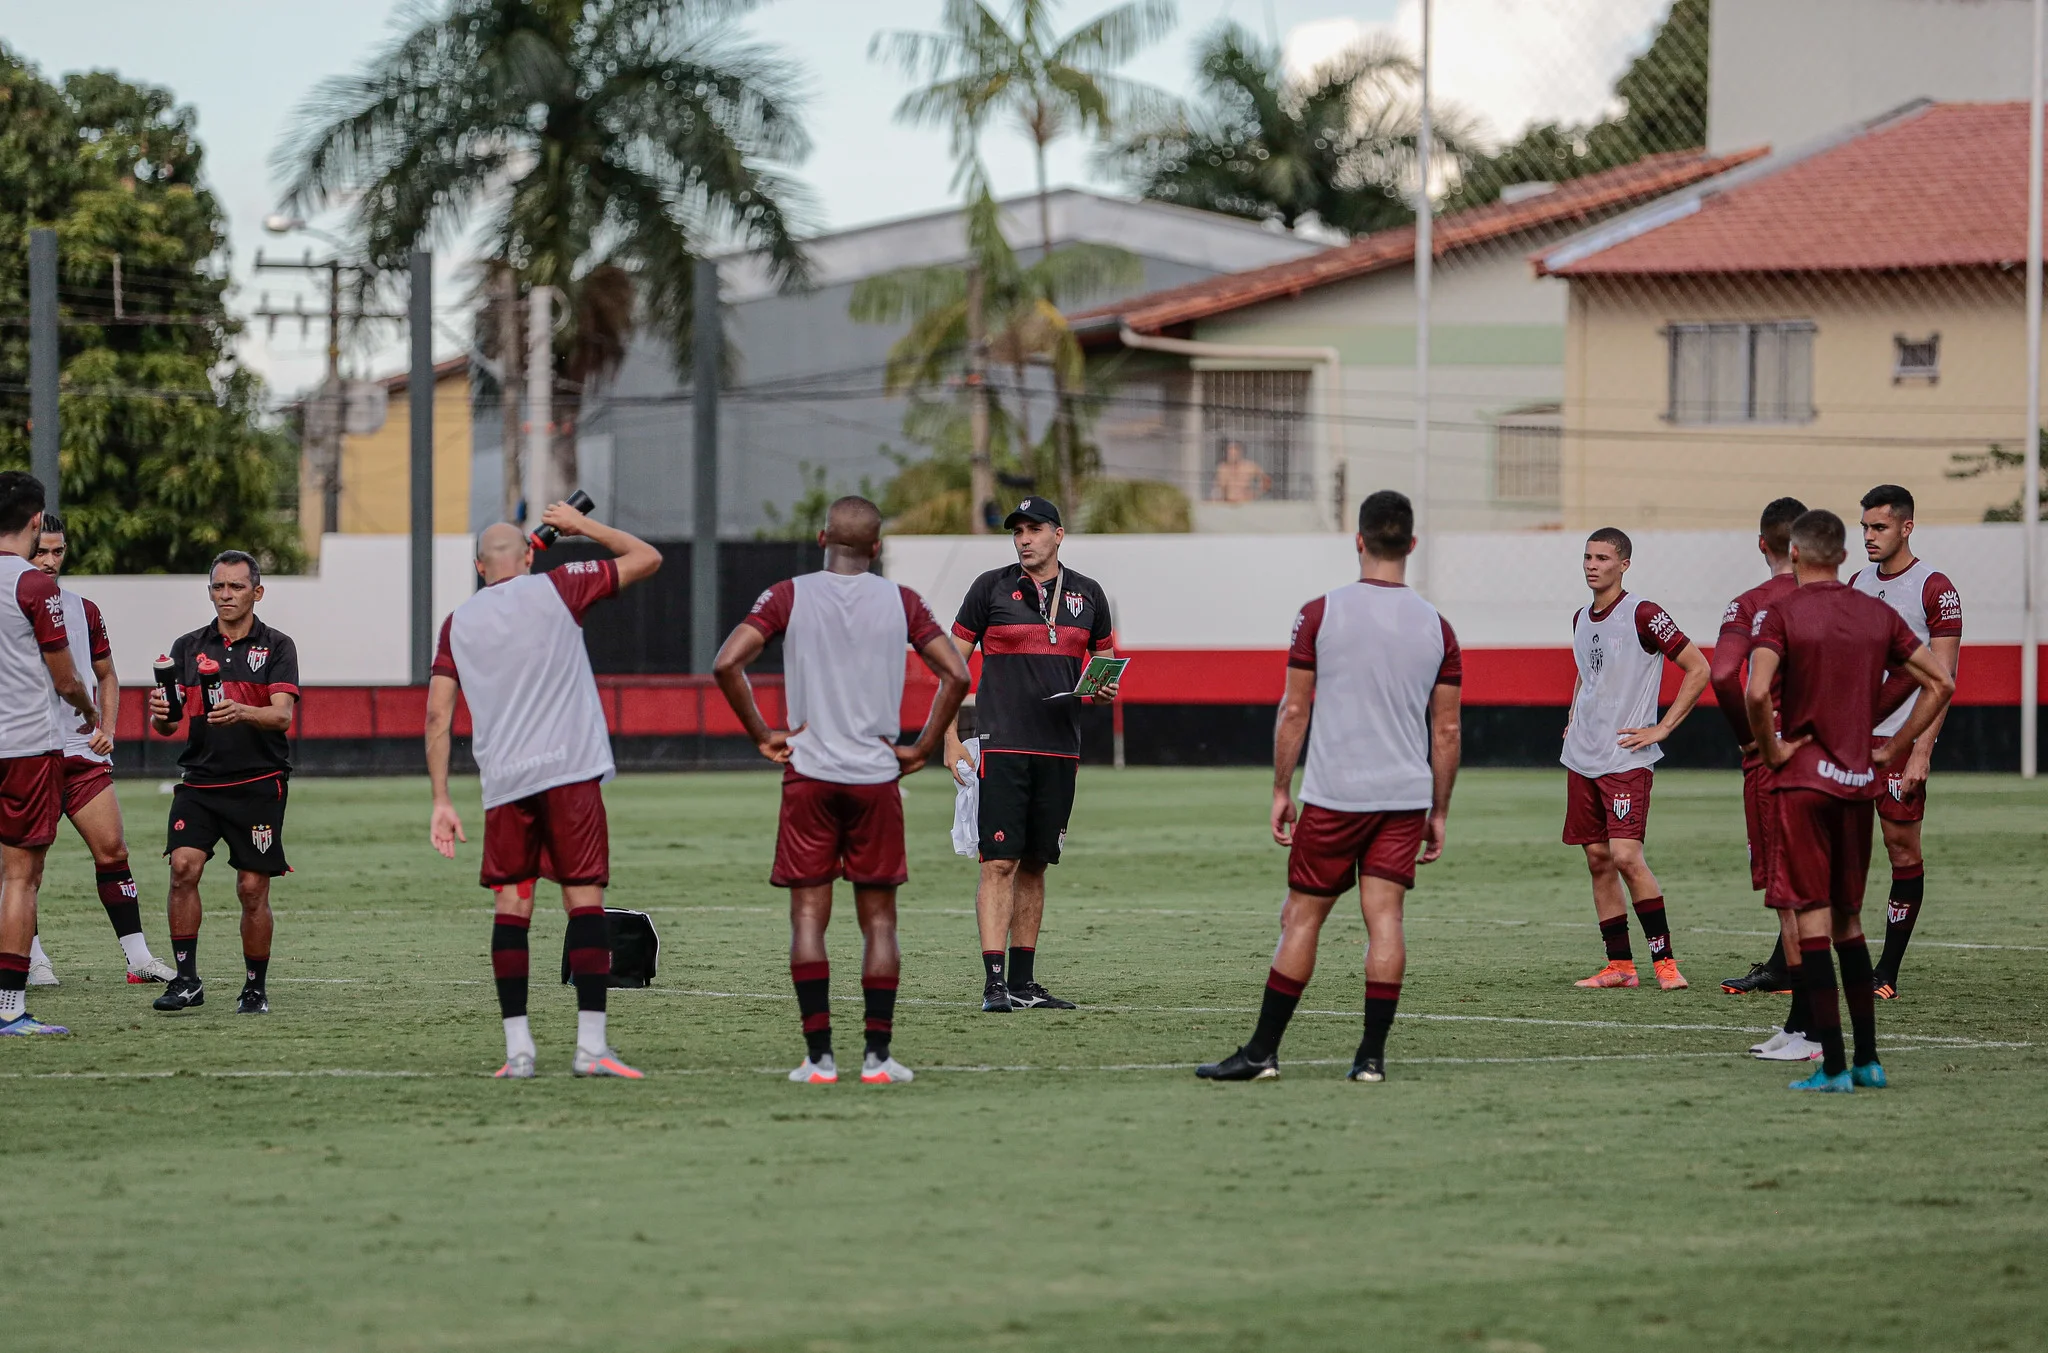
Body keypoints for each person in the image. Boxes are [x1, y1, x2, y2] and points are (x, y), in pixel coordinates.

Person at [1197, 490, 1461, 1083]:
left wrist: (1279, 790)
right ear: (1411, 545)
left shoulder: (1320, 613)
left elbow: (1294, 711)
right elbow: (1446, 729)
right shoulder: (1437, 627)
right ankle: (1370, 1060)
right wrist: (1439, 809)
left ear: (1359, 540)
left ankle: (1262, 1053)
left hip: (1337, 793)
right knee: (1385, 919)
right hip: (1404, 796)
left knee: (1301, 918)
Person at [712, 497, 970, 1086]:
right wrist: (923, 747)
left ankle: (819, 1059)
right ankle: (878, 1059)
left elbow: (727, 663)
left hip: (808, 773)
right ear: (876, 547)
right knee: (879, 922)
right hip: (876, 776)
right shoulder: (901, 601)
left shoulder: (788, 594)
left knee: (808, 915)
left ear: (823, 537)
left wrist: (761, 734)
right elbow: (956, 674)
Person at [426, 502, 661, 1079]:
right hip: (569, 771)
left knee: (513, 906)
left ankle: (519, 1052)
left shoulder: (457, 623)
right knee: (584, 901)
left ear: (481, 568)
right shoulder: (560, 586)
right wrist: (583, 527)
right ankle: (590, 1048)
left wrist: (441, 799)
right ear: (530, 554)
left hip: (506, 783)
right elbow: (646, 558)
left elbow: (437, 717)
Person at [1745, 509, 1953, 1093]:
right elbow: (1941, 681)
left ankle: (1832, 1065)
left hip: (1804, 784)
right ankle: (1869, 1060)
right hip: (1858, 782)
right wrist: (1895, 748)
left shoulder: (1780, 613)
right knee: (1848, 922)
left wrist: (1774, 749)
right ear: (1840, 554)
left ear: (1797, 553)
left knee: (1811, 919)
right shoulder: (1877, 611)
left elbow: (1758, 690)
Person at [943, 497, 1117, 1012]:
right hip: (1002, 745)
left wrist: (1103, 688)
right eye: (1017, 530)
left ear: (1058, 535)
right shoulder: (989, 587)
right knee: (999, 862)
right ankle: (994, 984)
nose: (1024, 538)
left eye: (1034, 529)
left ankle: (1023, 983)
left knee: (1037, 864)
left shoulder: (1089, 593)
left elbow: (1104, 660)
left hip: (1061, 749)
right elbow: (953, 666)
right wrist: (950, 737)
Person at [21, 512, 176, 987]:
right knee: (26, 867)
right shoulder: (9, 604)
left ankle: (138, 958)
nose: (50, 561)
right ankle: (32, 956)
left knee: (113, 850)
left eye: (58, 551)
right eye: (41, 550)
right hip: (26, 751)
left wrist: (106, 727)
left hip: (81, 753)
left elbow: (107, 676)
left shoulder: (83, 609)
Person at [147, 551, 300, 1016]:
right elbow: (170, 726)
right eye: (218, 587)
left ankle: (254, 988)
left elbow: (282, 715)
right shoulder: (187, 646)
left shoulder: (277, 645)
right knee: (183, 869)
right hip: (199, 783)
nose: (226, 595)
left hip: (258, 783)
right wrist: (161, 714)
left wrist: (242, 710)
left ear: (257, 591)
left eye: (236, 587)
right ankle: (187, 980)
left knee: (252, 888)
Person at [1561, 527, 1711, 991]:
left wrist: (1663, 727)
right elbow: (1588, 676)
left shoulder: (1644, 613)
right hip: (1582, 756)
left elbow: (1699, 667)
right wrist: (1572, 718)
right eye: (1587, 556)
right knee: (1597, 859)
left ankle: (1664, 963)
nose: (1592, 565)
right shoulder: (1580, 618)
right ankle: (1620, 967)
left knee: (1626, 855)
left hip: (1625, 758)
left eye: (1603, 557)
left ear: (1623, 564)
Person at [1849, 484, 1962, 1000]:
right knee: (1831, 852)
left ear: (1907, 527)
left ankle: (1886, 972)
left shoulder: (1934, 588)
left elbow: (1943, 677)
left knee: (1900, 848)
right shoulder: (1854, 583)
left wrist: (1920, 751)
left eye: (1880, 527)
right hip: (1850, 743)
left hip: (1899, 744)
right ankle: (1794, 967)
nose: (1869, 536)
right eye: (1866, 526)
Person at [0, 474, 98, 1036]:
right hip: (26, 747)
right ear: (37, 523)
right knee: (21, 878)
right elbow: (66, 678)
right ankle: (10, 1007)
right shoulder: (34, 587)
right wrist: (88, 712)